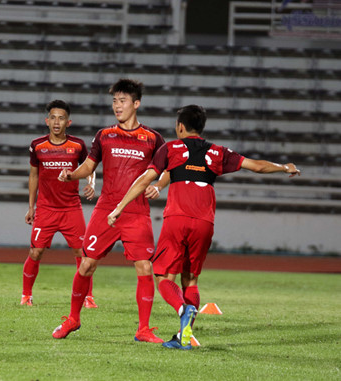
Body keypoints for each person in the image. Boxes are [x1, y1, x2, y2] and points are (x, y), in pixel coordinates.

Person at [108, 104, 301, 349]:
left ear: (180, 126)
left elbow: (145, 178)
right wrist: (284, 168)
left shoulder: (170, 148)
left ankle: (182, 310)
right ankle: (183, 337)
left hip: (177, 219)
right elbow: (256, 165)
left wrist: (119, 207)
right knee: (191, 280)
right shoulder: (217, 152)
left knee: (164, 277)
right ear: (201, 128)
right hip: (204, 222)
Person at [52, 78, 166, 343]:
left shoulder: (153, 138)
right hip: (106, 209)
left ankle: (144, 329)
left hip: (136, 211)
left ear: (136, 104)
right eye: (114, 100)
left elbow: (166, 170)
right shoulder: (104, 135)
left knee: (145, 267)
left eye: (123, 100)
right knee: (87, 264)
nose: (117, 105)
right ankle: (73, 319)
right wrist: (71, 176)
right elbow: (89, 167)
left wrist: (159, 185)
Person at [21, 99, 98, 308]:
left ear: (68, 122)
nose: (57, 122)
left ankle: (88, 297)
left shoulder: (77, 145)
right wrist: (31, 207)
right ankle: (26, 295)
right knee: (35, 252)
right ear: (47, 121)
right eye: (53, 117)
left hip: (71, 208)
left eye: (61, 118)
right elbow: (33, 176)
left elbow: (89, 167)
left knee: (82, 254)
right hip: (46, 209)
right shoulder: (37, 145)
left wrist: (91, 183)